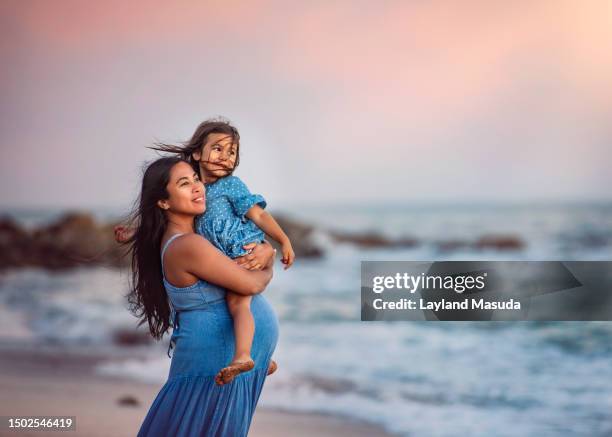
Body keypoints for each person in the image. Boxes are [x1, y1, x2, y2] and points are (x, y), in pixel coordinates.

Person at [117, 117, 291, 384]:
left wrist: (277, 243)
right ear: (197, 152)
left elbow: (258, 216)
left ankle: (254, 352)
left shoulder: (228, 188)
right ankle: (247, 354)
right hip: (211, 360)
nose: (225, 157)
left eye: (231, 152)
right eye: (218, 149)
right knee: (238, 302)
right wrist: (268, 262)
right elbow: (251, 284)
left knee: (238, 305)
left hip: (238, 251)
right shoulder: (188, 231)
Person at [125, 157, 279, 436]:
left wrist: (265, 249)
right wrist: (269, 265)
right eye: (184, 183)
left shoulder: (199, 236)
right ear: (163, 201)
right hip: (212, 367)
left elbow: (243, 246)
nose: (197, 187)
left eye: (196, 179)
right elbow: (249, 283)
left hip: (220, 364)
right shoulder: (188, 245)